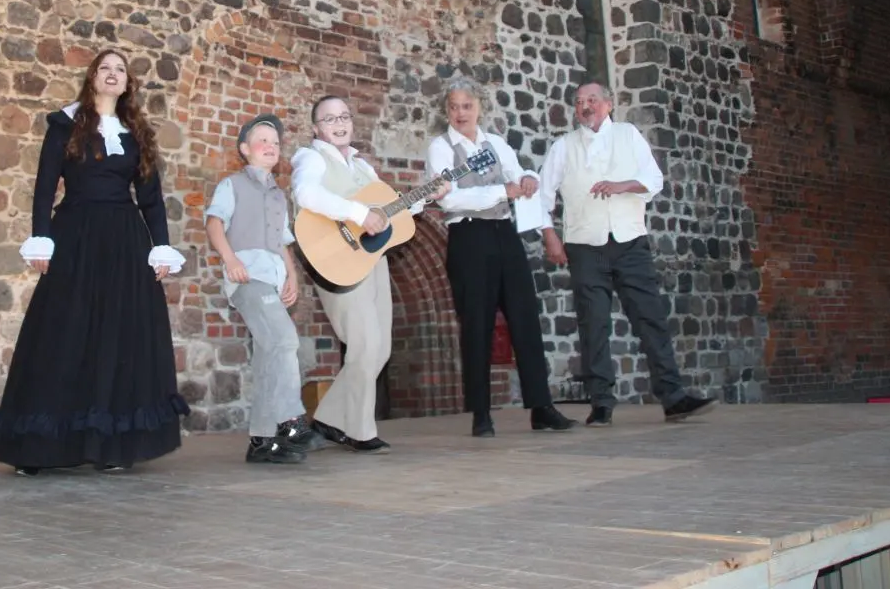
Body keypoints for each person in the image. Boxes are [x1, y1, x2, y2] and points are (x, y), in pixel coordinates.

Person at [0, 49, 188, 474]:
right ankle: (40, 448)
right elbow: (45, 186)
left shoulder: (137, 132)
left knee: (117, 337)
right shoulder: (65, 124)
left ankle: (110, 444)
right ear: (92, 77)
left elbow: (150, 198)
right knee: (62, 332)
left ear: (127, 82)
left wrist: (162, 247)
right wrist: (41, 238)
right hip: (76, 234)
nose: (113, 74)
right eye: (105, 68)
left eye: (120, 69)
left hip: (124, 241)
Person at [538, 82, 717, 426]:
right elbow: (543, 196)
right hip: (585, 246)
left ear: (608, 104)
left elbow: (653, 179)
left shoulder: (628, 134)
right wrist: (551, 238)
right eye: (579, 102)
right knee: (594, 326)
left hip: (630, 242)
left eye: (592, 100)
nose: (585, 106)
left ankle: (673, 396)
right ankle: (601, 403)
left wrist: (621, 185)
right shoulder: (564, 146)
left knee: (650, 318)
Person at [289, 95, 448, 453]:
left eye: (344, 116)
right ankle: (360, 431)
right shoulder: (310, 157)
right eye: (329, 119)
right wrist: (360, 215)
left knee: (381, 348)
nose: (339, 123)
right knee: (365, 344)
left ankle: (329, 420)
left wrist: (428, 195)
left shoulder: (363, 168)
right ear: (316, 128)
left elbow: (391, 211)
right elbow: (306, 193)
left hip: (370, 259)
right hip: (337, 257)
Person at [425, 78, 576, 437]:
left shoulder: (495, 143)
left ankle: (541, 407)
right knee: (476, 323)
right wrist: (501, 191)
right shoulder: (440, 147)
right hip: (469, 237)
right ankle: (481, 414)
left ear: (479, 108)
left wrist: (526, 180)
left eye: (467, 106)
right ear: (446, 111)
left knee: (525, 317)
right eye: (453, 107)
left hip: (504, 234)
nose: (460, 113)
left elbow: (517, 171)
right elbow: (449, 199)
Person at [205, 115, 316, 464]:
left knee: (271, 353)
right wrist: (230, 260)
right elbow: (214, 223)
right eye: (262, 140)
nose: (270, 146)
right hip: (246, 277)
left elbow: (284, 244)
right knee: (284, 340)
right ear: (245, 149)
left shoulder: (279, 196)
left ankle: (262, 440)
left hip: (272, 278)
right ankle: (291, 420)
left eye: (275, 142)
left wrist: (292, 277)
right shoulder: (232, 185)